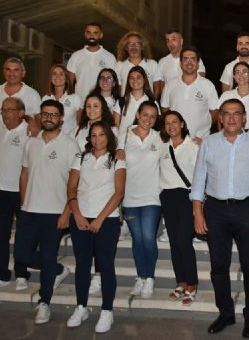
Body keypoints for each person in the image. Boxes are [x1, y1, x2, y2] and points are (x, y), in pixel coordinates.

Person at [191, 99, 249, 338]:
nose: (231, 119)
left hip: (248, 208)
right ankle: (226, 313)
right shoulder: (208, 143)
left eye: (237, 114)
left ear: (244, 118)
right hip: (215, 210)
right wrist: (197, 213)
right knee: (218, 266)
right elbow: (198, 181)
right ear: (220, 118)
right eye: (226, 114)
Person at [14, 100, 79, 324]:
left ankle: (44, 303)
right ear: (40, 117)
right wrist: (23, 204)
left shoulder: (70, 145)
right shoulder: (30, 143)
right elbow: (24, 174)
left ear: (61, 118)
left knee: (48, 256)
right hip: (29, 211)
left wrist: (67, 211)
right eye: (45, 114)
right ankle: (57, 269)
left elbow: (75, 182)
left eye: (53, 114)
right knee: (21, 255)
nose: (49, 118)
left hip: (54, 212)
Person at [66, 121, 125, 333]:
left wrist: (100, 219)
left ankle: (107, 311)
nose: (97, 139)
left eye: (101, 135)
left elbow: (119, 193)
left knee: (106, 264)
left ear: (108, 137)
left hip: (106, 221)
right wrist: (77, 214)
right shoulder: (80, 157)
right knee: (82, 264)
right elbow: (71, 188)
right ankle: (81, 307)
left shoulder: (117, 159)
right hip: (81, 218)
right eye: (94, 135)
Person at [0, 97, 30, 292]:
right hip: (1, 191)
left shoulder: (30, 131)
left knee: (23, 236)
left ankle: (21, 274)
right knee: (1, 236)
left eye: (10, 109)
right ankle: (1, 275)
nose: (5, 113)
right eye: (3, 109)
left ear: (21, 113)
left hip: (22, 192)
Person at [117, 101, 163, 298]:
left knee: (147, 238)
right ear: (138, 114)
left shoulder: (159, 137)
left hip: (152, 196)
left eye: (153, 116)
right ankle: (141, 276)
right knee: (137, 240)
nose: (148, 120)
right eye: (145, 115)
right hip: (129, 198)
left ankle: (149, 277)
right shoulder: (124, 135)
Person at [159, 110, 200, 305]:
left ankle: (192, 283)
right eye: (167, 123)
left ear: (182, 124)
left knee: (184, 239)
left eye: (175, 122)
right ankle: (181, 281)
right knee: (174, 242)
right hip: (167, 197)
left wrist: (199, 201)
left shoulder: (193, 146)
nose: (171, 126)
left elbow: (201, 175)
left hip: (188, 196)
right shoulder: (162, 146)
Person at [160, 46, 218, 140]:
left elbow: (215, 112)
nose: (189, 62)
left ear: (198, 63)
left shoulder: (208, 85)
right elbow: (165, 109)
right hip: (175, 140)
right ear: (181, 63)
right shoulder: (170, 85)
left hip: (200, 141)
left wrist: (202, 132)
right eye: (186, 59)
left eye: (193, 59)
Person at [67, 22, 117, 101]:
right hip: (80, 104)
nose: (91, 36)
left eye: (95, 33)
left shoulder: (110, 57)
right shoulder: (76, 56)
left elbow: (114, 82)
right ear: (85, 34)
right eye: (89, 32)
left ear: (101, 35)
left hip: (102, 103)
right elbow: (69, 83)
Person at [218, 61, 249, 130]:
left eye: (244, 72)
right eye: (237, 72)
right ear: (234, 77)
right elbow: (220, 118)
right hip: (228, 134)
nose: (241, 75)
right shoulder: (226, 95)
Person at [158, 29, 206, 95]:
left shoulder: (193, 58)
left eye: (173, 39)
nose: (170, 44)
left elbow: (201, 79)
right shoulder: (162, 62)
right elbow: (162, 87)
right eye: (168, 40)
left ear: (181, 41)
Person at [115, 31, 162, 97]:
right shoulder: (119, 65)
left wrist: (152, 103)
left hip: (148, 105)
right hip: (126, 105)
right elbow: (118, 88)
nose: (133, 46)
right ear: (126, 48)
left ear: (142, 47)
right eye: (130, 44)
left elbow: (157, 86)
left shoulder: (152, 64)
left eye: (137, 43)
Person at [41, 64, 82, 135]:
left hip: (70, 140)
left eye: (61, 74)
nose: (57, 76)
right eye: (54, 74)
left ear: (66, 78)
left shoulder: (75, 98)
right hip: (50, 139)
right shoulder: (45, 98)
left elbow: (80, 124)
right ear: (50, 78)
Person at [114, 66, 159, 131]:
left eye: (138, 77)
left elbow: (156, 125)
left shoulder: (153, 102)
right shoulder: (121, 101)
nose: (135, 80)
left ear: (144, 80)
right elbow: (116, 126)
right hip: (124, 140)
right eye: (132, 78)